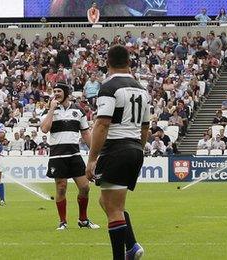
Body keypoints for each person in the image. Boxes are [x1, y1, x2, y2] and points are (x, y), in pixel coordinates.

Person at [86, 45, 149, 260]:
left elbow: (102, 124)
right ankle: (131, 246)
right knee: (109, 203)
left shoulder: (109, 87)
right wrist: (137, 150)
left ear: (107, 63)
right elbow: (145, 127)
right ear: (129, 62)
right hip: (135, 148)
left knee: (113, 208)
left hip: (116, 148)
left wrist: (92, 158)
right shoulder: (142, 89)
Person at [41, 82, 100, 230]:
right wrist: (51, 109)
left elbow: (85, 133)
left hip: (74, 155)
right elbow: (44, 129)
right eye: (54, 91)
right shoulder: (49, 111)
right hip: (57, 156)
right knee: (61, 188)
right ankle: (63, 221)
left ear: (66, 93)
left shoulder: (78, 111)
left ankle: (83, 220)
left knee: (85, 187)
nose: (56, 93)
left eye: (59, 91)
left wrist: (94, 152)